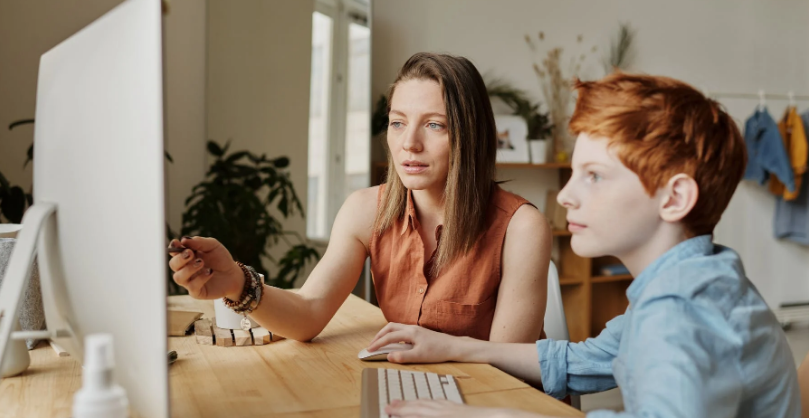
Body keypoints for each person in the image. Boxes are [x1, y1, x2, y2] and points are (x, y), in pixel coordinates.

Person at [370, 72, 802, 418]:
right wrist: (454, 347)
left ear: (674, 199)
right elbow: (584, 361)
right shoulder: (692, 279)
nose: (565, 195)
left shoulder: (683, 312)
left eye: (593, 176)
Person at [168, 52, 551, 344]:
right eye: (398, 122)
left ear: (471, 136)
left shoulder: (521, 227)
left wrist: (436, 350)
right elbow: (308, 313)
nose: (409, 143)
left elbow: (507, 368)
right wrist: (237, 282)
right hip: (417, 393)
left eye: (434, 125)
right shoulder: (366, 210)